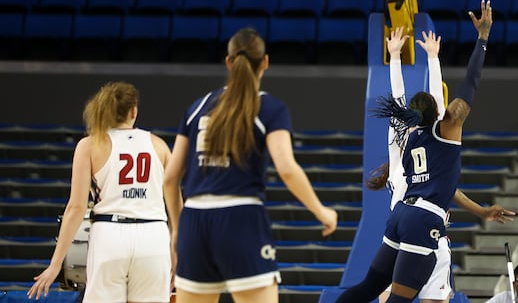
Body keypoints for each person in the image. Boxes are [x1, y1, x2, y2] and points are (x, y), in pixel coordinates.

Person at [335, 0, 494, 303]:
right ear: (439, 110)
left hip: (401, 215)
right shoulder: (446, 128)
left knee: (368, 287)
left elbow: (407, 99)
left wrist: (397, 57)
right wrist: (481, 40)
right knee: (398, 299)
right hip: (424, 221)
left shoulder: (407, 137)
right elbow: (469, 84)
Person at [163, 27, 338, 303]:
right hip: (240, 218)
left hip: (194, 221)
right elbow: (287, 168)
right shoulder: (269, 107)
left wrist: (176, 230)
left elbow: (170, 179)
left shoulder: (197, 107)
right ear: (265, 62)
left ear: (228, 62)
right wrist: (322, 211)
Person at [27, 81, 172, 302]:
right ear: (134, 110)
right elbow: (176, 202)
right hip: (154, 236)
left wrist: (55, 265)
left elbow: (76, 208)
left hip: (111, 235)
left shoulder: (90, 145)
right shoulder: (159, 145)